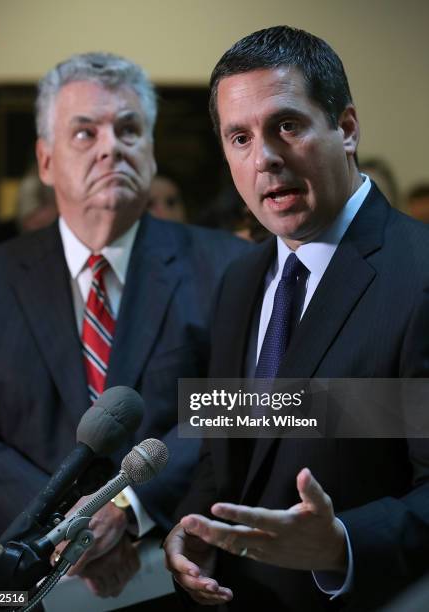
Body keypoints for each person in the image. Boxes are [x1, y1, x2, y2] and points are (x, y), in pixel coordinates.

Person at [0, 52, 248, 601]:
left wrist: (125, 507)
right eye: (85, 132)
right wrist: (64, 525)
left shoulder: (228, 267)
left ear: (152, 151)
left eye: (129, 129)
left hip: (177, 567)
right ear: (46, 161)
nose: (111, 146)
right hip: (13, 576)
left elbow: (237, 404)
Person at [164, 26, 429, 611]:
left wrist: (343, 544)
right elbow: (224, 444)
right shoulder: (238, 280)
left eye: (287, 125)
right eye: (239, 137)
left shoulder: (420, 274)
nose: (265, 158)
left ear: (348, 129)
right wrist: (196, 529)